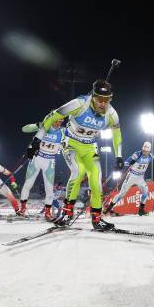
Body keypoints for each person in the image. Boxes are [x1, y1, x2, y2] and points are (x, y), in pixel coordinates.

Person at [35, 79, 122, 230]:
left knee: (96, 180)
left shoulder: (112, 114)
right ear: (92, 96)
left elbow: (117, 134)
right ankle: (67, 213)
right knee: (78, 171)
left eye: (106, 100)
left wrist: (119, 156)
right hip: (71, 144)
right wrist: (37, 139)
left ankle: (97, 219)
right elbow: (52, 116)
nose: (103, 104)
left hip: (90, 147)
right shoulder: (79, 104)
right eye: (99, 99)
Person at [19, 119, 65, 221]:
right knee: (28, 184)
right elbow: (24, 129)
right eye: (56, 120)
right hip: (36, 159)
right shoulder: (44, 127)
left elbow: (75, 137)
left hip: (49, 162)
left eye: (60, 121)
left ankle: (48, 213)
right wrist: (37, 125)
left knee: (49, 189)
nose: (58, 123)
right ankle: (22, 209)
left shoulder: (63, 131)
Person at [103, 142, 154, 216]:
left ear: (149, 151)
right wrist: (125, 163)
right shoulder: (137, 154)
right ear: (142, 149)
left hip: (140, 177)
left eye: (146, 151)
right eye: (144, 150)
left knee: (146, 192)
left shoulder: (150, 155)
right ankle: (108, 208)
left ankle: (141, 210)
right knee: (122, 194)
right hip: (131, 176)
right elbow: (127, 161)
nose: (144, 152)